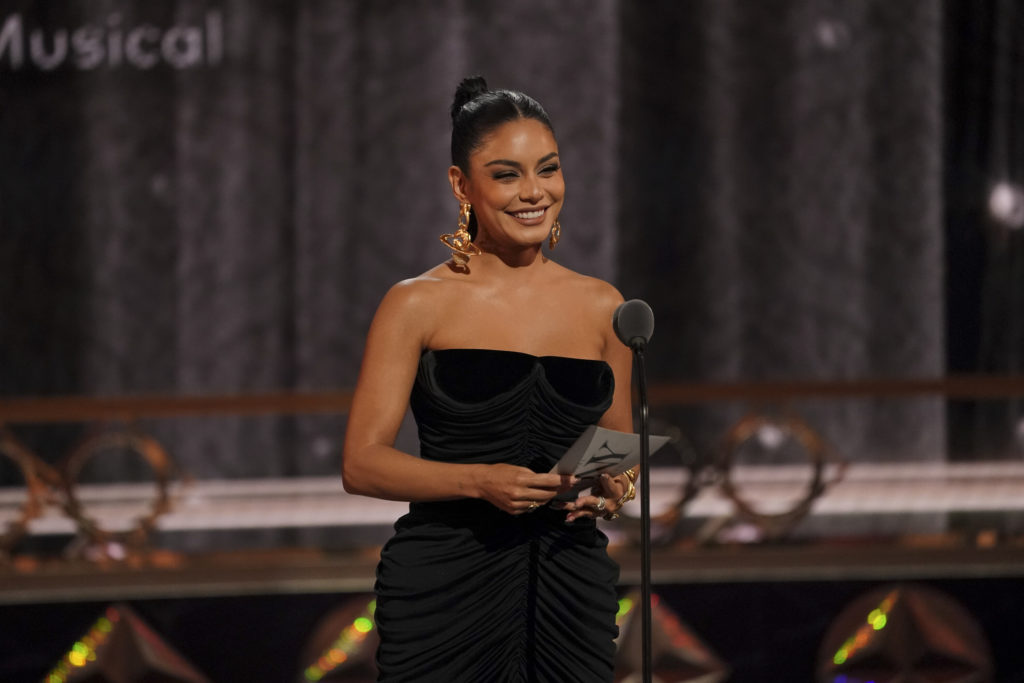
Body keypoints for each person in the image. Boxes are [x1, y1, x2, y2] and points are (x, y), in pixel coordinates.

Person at [342, 75, 638, 683]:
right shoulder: (416, 304)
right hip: (447, 584)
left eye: (548, 170)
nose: (534, 192)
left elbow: (619, 449)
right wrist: (479, 481)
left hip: (567, 582)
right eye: (507, 174)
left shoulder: (603, 306)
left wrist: (615, 488)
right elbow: (362, 464)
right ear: (462, 184)